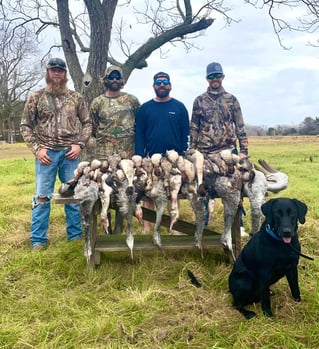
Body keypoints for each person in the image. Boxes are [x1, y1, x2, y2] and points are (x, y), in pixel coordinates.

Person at [20, 57, 92, 249]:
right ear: (48, 72)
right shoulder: (36, 97)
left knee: (73, 196)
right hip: (46, 154)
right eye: (53, 70)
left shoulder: (76, 97)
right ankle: (38, 240)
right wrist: (37, 149)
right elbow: (25, 125)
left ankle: (75, 236)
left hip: (70, 154)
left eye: (60, 70)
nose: (57, 73)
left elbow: (87, 123)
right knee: (42, 196)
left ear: (65, 74)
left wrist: (80, 145)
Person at [190, 62, 248, 237]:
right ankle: (204, 223)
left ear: (223, 77)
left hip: (228, 151)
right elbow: (194, 127)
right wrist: (192, 150)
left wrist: (243, 150)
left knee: (234, 186)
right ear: (207, 79)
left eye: (217, 76)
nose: (214, 79)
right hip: (205, 152)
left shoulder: (232, 99)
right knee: (204, 187)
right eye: (211, 76)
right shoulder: (199, 100)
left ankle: (239, 225)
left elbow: (240, 126)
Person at [135, 71, 190, 233]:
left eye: (165, 82)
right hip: (150, 158)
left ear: (170, 86)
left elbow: (185, 133)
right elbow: (139, 135)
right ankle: (147, 227)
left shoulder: (179, 107)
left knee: (173, 191)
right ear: (153, 86)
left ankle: (174, 226)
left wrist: (183, 156)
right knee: (149, 192)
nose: (161, 85)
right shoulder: (145, 109)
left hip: (173, 159)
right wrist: (139, 157)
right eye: (158, 82)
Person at [90, 65, 140, 234]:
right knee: (105, 189)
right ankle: (107, 227)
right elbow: (94, 127)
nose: (114, 80)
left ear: (122, 81)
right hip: (104, 154)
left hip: (127, 155)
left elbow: (139, 123)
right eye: (111, 77)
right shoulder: (97, 102)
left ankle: (120, 226)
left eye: (117, 77)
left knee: (123, 188)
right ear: (106, 80)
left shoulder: (132, 100)